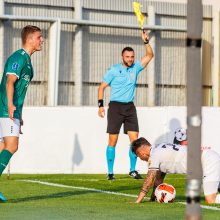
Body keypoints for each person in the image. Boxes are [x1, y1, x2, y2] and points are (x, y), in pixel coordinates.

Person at [98, 31, 154, 180]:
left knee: (135, 141)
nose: (130, 59)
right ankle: (110, 172)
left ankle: (132, 170)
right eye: (127, 57)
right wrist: (100, 105)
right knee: (113, 140)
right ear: (122, 57)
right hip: (115, 107)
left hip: (130, 107)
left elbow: (149, 56)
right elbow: (101, 87)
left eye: (132, 57)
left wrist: (146, 42)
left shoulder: (135, 67)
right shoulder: (114, 70)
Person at [0, 25, 44, 201]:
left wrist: (20, 113)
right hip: (5, 109)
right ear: (30, 39)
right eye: (39, 37)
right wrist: (11, 106)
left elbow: (20, 90)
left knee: (3, 147)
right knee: (12, 146)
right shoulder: (18, 57)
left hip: (9, 110)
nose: (42, 40)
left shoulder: (28, 61)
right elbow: (10, 82)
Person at [132, 137, 220, 204]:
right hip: (207, 159)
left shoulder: (154, 155)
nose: (140, 158)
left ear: (141, 152)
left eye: (138, 155)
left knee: (210, 200)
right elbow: (158, 179)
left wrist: (138, 200)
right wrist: (153, 198)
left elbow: (149, 179)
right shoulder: (158, 150)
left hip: (207, 162)